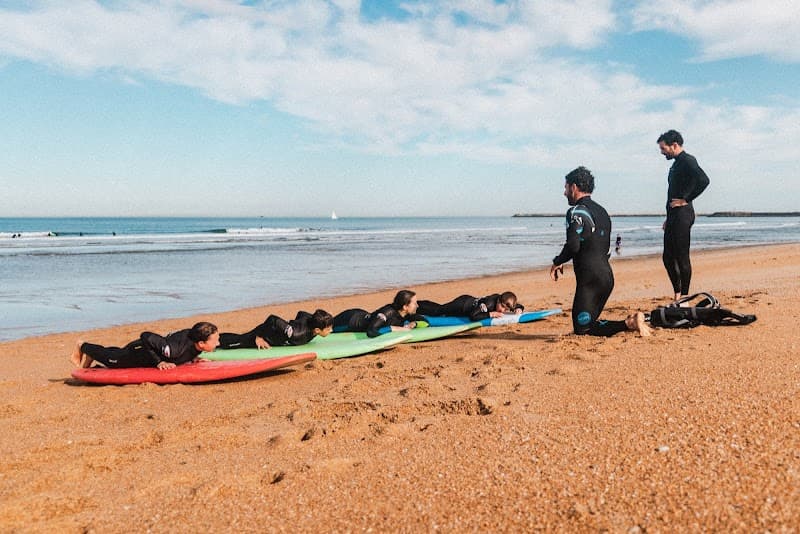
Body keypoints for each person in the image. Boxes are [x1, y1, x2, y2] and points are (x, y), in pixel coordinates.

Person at [550, 167, 651, 337]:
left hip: (590, 280)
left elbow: (573, 245)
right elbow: (603, 247)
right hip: (606, 277)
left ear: (574, 187)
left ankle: (630, 323)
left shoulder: (576, 211)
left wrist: (558, 260)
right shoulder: (603, 212)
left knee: (583, 329)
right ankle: (626, 323)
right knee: (585, 325)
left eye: (566, 187)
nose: (564, 192)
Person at [657, 129, 710, 303]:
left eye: (664, 148)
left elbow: (704, 180)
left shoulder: (688, 160)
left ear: (674, 145)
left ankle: (685, 297)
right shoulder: (675, 164)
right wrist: (668, 217)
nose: (662, 152)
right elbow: (673, 191)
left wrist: (686, 200)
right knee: (667, 257)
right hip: (674, 216)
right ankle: (678, 293)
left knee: (681, 256)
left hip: (683, 215)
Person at [70, 321, 220, 369]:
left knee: (115, 352)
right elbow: (146, 336)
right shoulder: (172, 350)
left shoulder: (195, 342)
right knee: (113, 360)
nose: (218, 343)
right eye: (215, 340)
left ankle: (90, 354)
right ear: (201, 343)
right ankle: (82, 345)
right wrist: (159, 362)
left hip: (145, 353)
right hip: (138, 351)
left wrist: (193, 360)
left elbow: (187, 348)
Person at [217, 309, 333, 350]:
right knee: (239, 341)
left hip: (279, 333)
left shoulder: (311, 320)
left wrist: (294, 324)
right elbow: (273, 318)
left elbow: (301, 313)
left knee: (240, 339)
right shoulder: (295, 334)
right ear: (317, 330)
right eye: (328, 329)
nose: (331, 330)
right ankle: (215, 342)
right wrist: (259, 337)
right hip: (266, 335)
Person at [333, 289, 425, 337]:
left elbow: (424, 321)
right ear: (405, 306)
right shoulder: (387, 312)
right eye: (415, 303)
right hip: (349, 321)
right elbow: (371, 332)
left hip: (363, 314)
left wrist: (415, 323)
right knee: (326, 327)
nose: (417, 306)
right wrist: (393, 328)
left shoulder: (405, 314)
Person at [417, 292, 524, 321]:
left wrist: (519, 308)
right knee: (439, 310)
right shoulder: (489, 304)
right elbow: (473, 316)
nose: (503, 311)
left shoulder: (502, 299)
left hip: (469, 300)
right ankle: (417, 305)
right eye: (503, 307)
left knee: (441, 309)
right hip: (461, 305)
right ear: (498, 301)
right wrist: (490, 314)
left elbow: (517, 305)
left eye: (506, 309)